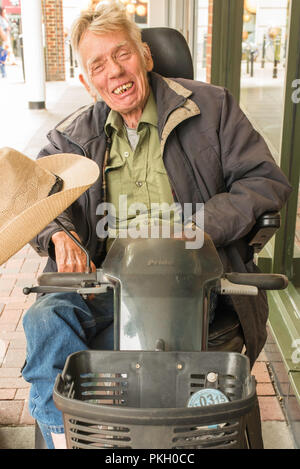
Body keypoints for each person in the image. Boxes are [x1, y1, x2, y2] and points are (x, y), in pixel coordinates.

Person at [21, 3, 292, 449]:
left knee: (163, 350)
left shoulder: (212, 107)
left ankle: (180, 438)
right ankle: (64, 437)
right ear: (87, 81)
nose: (115, 71)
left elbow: (265, 180)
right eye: (98, 65)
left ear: (146, 56)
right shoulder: (71, 138)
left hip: (194, 275)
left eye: (122, 54)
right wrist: (57, 233)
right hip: (109, 282)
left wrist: (200, 226)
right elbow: (38, 195)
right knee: (47, 317)